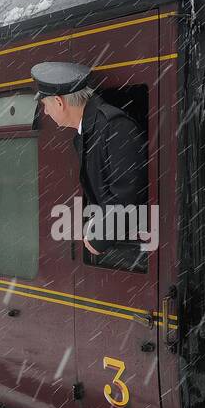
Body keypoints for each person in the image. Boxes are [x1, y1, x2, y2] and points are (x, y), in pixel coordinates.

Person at [31, 61, 147, 266]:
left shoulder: (115, 128)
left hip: (133, 251)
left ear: (59, 102)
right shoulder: (91, 130)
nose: (46, 113)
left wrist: (99, 237)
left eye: (45, 105)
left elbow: (129, 195)